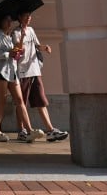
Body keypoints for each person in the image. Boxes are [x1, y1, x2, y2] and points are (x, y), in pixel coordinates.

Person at [13, 10, 69, 142]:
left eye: (30, 15)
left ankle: (50, 130)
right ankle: (21, 131)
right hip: (22, 71)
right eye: (26, 15)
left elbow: (36, 45)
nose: (29, 18)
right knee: (21, 103)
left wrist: (44, 47)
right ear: (20, 17)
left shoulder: (31, 30)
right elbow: (17, 52)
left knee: (41, 101)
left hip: (35, 70)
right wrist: (22, 37)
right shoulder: (15, 32)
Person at [0, 14, 44, 143]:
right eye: (6, 21)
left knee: (20, 100)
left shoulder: (9, 37)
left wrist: (19, 47)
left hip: (12, 72)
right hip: (0, 72)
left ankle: (29, 130)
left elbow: (15, 52)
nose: (9, 23)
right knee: (1, 101)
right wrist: (9, 53)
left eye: (10, 21)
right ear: (0, 22)